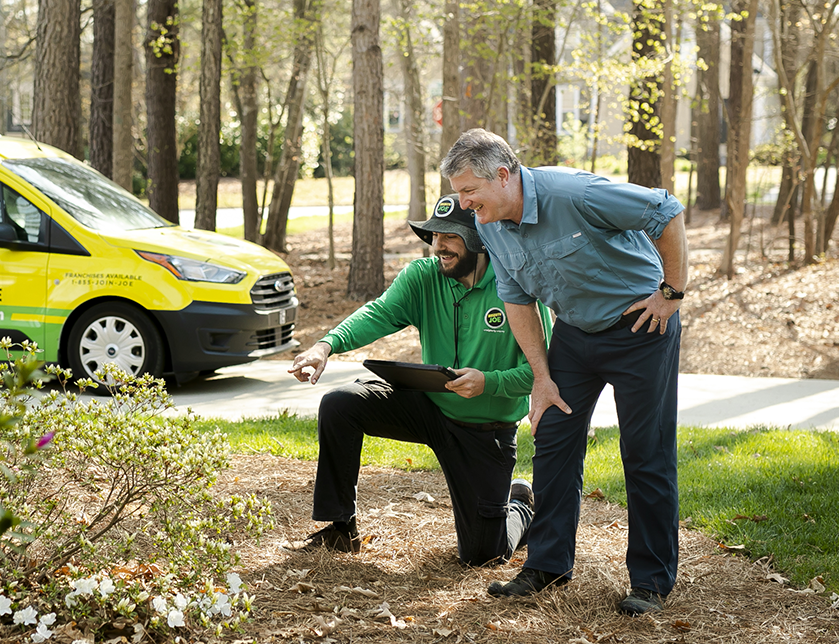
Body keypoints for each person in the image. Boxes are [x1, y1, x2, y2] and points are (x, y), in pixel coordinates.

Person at [440, 128, 687, 616]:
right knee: (552, 436)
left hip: (641, 326)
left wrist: (671, 293)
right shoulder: (489, 221)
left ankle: (652, 580)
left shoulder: (576, 193)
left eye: (469, 191)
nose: (464, 203)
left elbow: (666, 209)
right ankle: (548, 565)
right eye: (459, 192)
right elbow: (516, 298)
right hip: (574, 334)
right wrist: (541, 376)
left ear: (504, 176)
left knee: (645, 452)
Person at [284, 194, 552, 569]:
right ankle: (340, 527)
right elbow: (376, 314)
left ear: (478, 238)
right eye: (434, 235)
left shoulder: (515, 286)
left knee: (484, 554)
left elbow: (540, 373)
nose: (437, 246)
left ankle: (521, 503)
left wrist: (487, 383)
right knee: (341, 403)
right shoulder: (422, 276)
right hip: (430, 406)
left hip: (484, 429)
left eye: (449, 237)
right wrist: (325, 347)